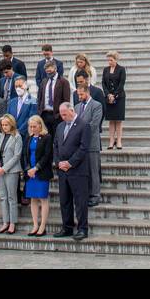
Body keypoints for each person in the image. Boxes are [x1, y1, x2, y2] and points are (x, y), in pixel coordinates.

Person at [53, 102, 91, 241]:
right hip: (63, 171)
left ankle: (82, 229)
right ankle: (67, 227)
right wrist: (58, 163)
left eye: (64, 114)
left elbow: (83, 148)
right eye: (61, 114)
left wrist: (70, 163)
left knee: (80, 202)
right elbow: (56, 145)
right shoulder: (60, 126)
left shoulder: (83, 125)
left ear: (72, 110)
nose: (62, 117)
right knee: (65, 201)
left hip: (78, 171)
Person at [73, 74, 104, 207]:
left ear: (87, 92)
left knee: (93, 171)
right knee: (84, 172)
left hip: (91, 144)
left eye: (81, 95)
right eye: (78, 95)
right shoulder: (77, 107)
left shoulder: (96, 105)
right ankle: (86, 193)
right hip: (80, 145)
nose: (79, 97)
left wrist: (80, 134)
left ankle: (95, 195)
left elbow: (94, 125)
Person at [22, 114, 53, 236]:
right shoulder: (29, 138)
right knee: (33, 199)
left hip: (41, 172)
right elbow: (25, 154)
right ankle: (35, 224)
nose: (32, 128)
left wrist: (36, 168)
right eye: (30, 126)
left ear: (40, 125)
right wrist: (29, 169)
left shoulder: (47, 137)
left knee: (43, 199)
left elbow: (47, 156)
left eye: (34, 126)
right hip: (30, 173)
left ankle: (42, 226)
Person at [0, 114, 22, 234]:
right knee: (3, 197)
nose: (4, 127)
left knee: (11, 197)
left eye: (6, 125)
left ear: (11, 124)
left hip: (11, 170)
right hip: (0, 170)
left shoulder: (17, 137)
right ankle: (5, 222)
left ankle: (12, 223)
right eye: (3, 125)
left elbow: (17, 155)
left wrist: (4, 168)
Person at [37, 58, 71, 136]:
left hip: (57, 115)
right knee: (46, 138)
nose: (48, 72)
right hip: (44, 114)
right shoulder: (44, 81)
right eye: (47, 71)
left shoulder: (63, 82)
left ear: (55, 69)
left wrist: (61, 114)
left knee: (57, 138)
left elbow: (66, 100)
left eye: (50, 70)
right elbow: (40, 98)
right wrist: (39, 111)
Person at [102, 51, 127, 149]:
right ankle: (111, 140)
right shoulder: (106, 69)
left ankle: (119, 140)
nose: (109, 62)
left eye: (111, 60)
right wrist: (108, 94)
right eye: (108, 60)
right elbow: (103, 83)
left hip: (119, 97)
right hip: (108, 98)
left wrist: (114, 95)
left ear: (116, 60)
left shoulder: (121, 69)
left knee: (119, 120)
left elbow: (121, 84)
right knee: (111, 120)